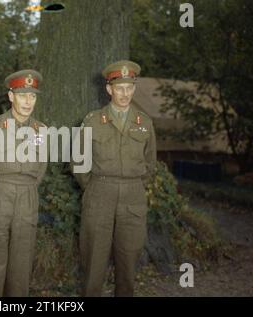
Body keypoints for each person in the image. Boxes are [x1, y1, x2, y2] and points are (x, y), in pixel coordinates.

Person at [72, 60, 157, 296]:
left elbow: (150, 163)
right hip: (99, 194)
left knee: (128, 263)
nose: (125, 93)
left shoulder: (145, 123)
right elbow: (79, 161)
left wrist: (134, 185)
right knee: (93, 262)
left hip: (133, 196)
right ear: (109, 89)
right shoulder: (92, 121)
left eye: (129, 88)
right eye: (120, 88)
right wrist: (94, 186)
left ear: (134, 89)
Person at [0, 69, 48, 296]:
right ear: (11, 96)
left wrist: (24, 189)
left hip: (27, 198)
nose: (28, 101)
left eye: (32, 96)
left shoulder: (41, 130)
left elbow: (40, 169)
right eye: (22, 95)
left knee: (21, 265)